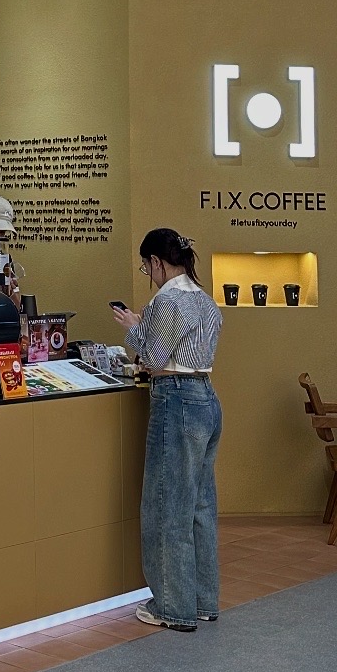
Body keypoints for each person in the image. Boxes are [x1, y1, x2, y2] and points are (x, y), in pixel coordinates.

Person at [112, 228, 223, 634]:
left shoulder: (167, 300)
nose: (148, 273)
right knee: (200, 507)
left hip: (175, 399)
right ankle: (203, 601)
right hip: (207, 397)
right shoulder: (204, 299)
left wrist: (132, 328)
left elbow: (154, 359)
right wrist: (147, 325)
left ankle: (172, 607)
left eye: (146, 266)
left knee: (166, 508)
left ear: (157, 261)